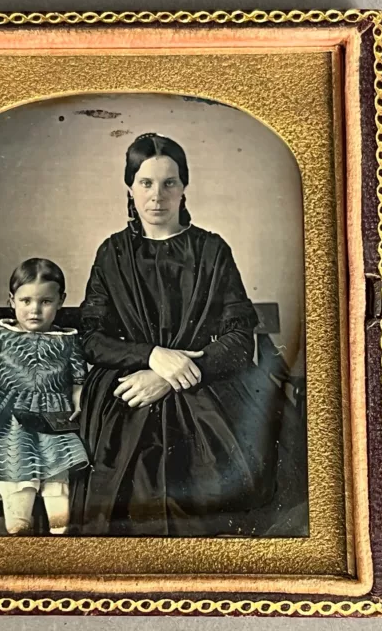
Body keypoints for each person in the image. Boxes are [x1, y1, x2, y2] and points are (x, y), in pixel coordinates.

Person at [70, 133, 289, 537]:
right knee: (132, 466)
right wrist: (152, 355)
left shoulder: (212, 250)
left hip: (206, 381)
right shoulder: (112, 253)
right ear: (130, 188)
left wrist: (171, 373)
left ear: (184, 187)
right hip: (128, 383)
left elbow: (240, 339)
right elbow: (92, 339)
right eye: (146, 183)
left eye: (169, 182)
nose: (158, 196)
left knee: (216, 465)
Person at [0, 258, 89, 535]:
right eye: (26, 301)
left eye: (45, 302)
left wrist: (79, 400)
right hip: (10, 416)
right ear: (12, 301)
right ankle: (18, 528)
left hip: (55, 416)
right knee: (16, 466)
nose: (34, 309)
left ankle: (60, 531)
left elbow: (78, 382)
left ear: (61, 301)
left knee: (57, 476)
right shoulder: (2, 334)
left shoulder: (68, 341)